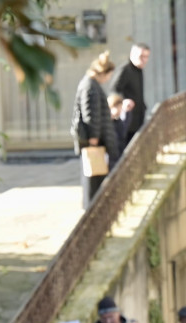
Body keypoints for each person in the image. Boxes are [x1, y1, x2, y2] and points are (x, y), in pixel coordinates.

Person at [71, 51, 119, 208]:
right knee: (93, 177)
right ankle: (91, 209)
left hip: (97, 140)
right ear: (103, 73)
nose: (109, 79)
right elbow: (91, 117)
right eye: (109, 75)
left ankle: (93, 207)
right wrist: (93, 141)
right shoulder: (90, 87)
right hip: (95, 142)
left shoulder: (91, 85)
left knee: (95, 176)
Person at [109, 42, 149, 146]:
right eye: (141, 56)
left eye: (146, 57)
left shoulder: (139, 71)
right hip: (127, 121)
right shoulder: (125, 70)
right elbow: (114, 90)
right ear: (132, 55)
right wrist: (123, 102)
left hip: (138, 118)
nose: (144, 60)